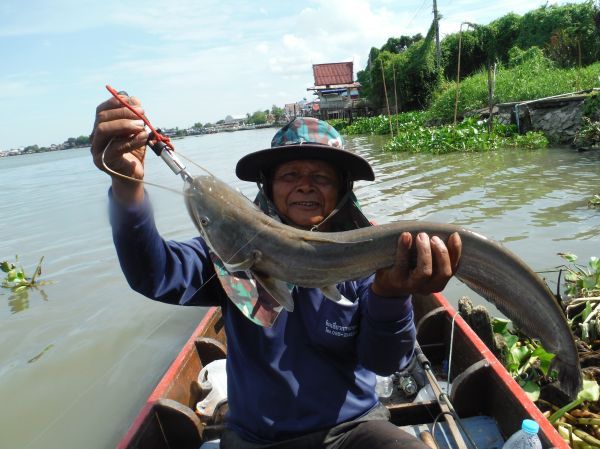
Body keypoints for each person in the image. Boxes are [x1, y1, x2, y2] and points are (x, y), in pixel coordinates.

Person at [91, 94, 462, 449]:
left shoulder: (365, 254)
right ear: (267, 187)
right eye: (290, 174)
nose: (305, 184)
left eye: (322, 176)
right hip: (257, 439)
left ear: (342, 190)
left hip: (352, 429)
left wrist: (391, 295)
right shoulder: (230, 250)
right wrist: (126, 188)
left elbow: (385, 361)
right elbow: (154, 274)